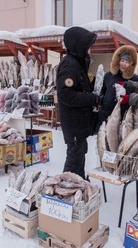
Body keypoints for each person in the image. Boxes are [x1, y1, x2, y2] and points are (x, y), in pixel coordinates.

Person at [56, 26, 101, 179]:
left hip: (78, 123)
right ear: (79, 46)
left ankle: (79, 181)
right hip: (73, 124)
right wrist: (93, 98)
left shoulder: (76, 63)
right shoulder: (70, 65)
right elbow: (66, 95)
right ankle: (66, 189)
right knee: (74, 159)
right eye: (88, 47)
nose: (90, 50)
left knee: (79, 155)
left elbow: (79, 86)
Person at [94, 45, 138, 133]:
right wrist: (100, 102)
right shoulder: (108, 75)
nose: (123, 64)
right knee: (104, 144)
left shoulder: (136, 79)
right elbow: (103, 91)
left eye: (127, 62)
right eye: (122, 60)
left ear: (132, 64)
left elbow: (137, 98)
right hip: (105, 115)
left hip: (123, 118)